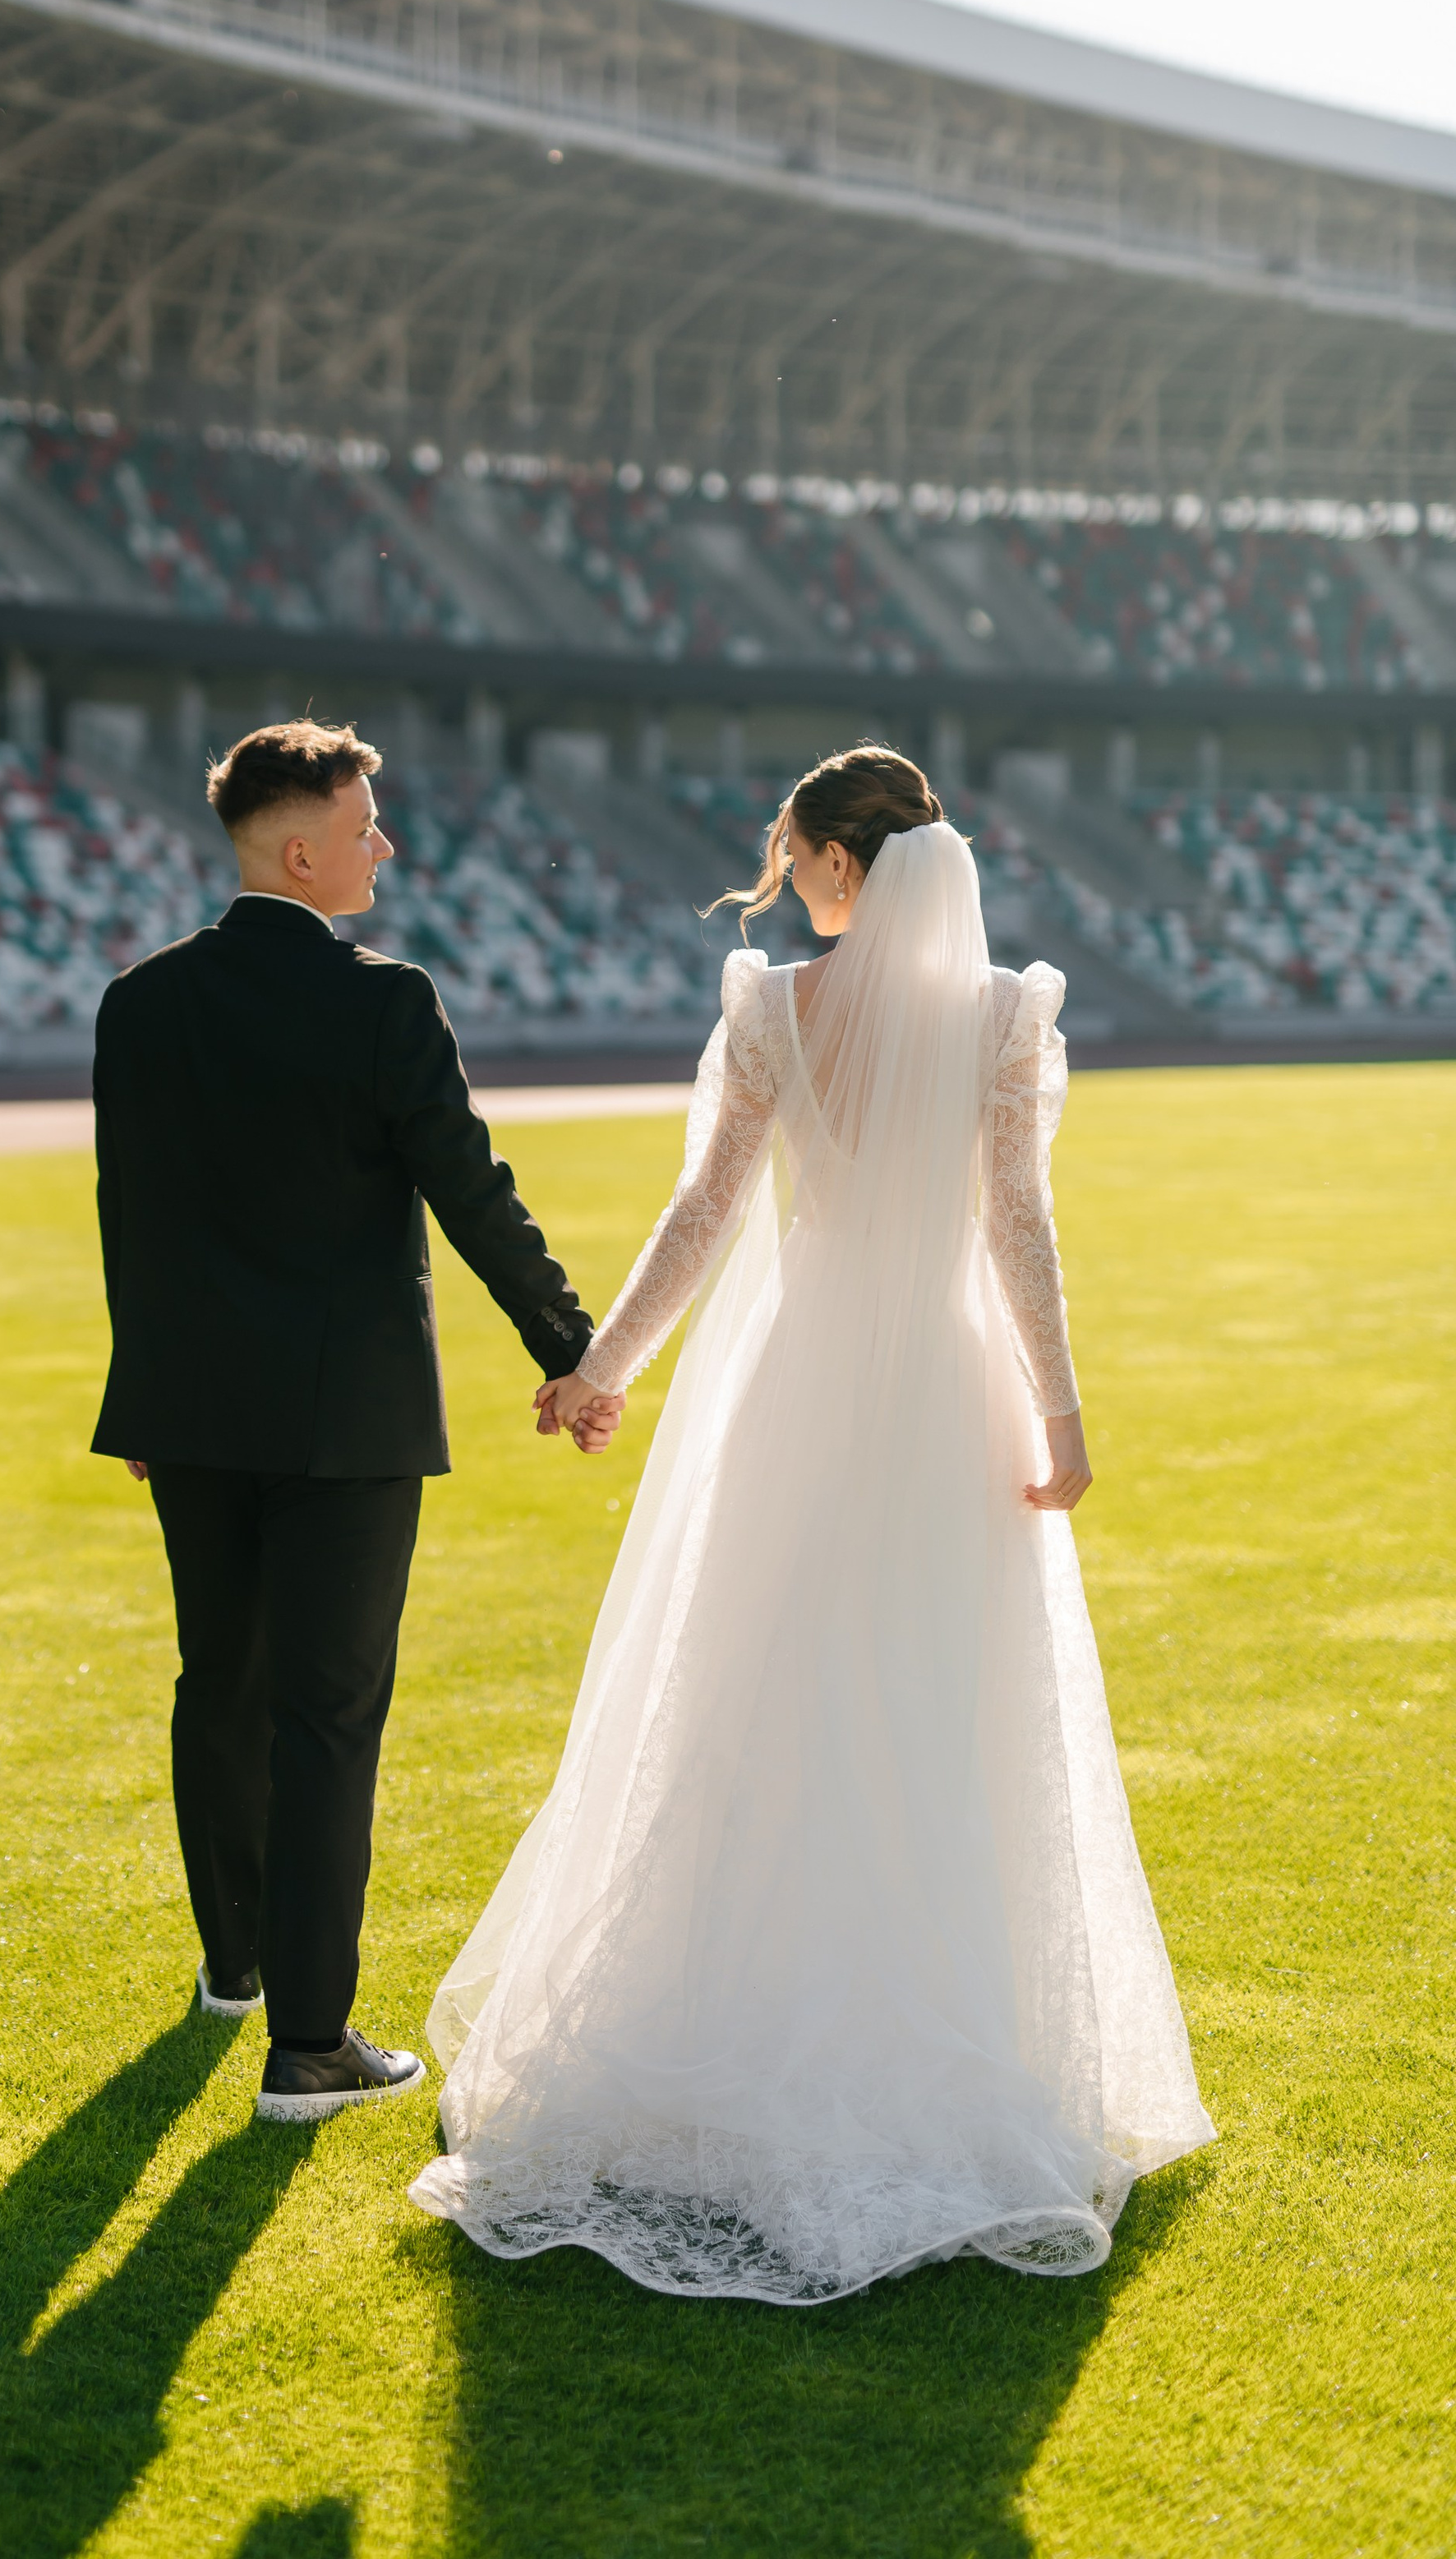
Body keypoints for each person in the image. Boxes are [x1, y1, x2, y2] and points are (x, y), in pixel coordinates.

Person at [411, 744, 1214, 2299]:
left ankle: (718, 2027)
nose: (783, 880)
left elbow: (706, 1212)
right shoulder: (999, 1020)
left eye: (793, 855)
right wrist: (1059, 1415)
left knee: (761, 1694)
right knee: (942, 1707)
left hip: (804, 1380)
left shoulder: (775, 1008)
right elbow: (1018, 1228)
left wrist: (603, 1368)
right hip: (945, 1380)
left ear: (841, 867)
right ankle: (950, 2048)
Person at [91, 717, 622, 2124]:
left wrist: (140, 1377)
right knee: (329, 1718)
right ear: (305, 845)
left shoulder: (137, 1003)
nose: (386, 844)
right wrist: (577, 1350)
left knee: (222, 1682)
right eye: (369, 820)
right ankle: (310, 2046)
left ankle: (237, 1967)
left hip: (187, 1406)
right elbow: (471, 1190)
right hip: (348, 1421)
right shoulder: (385, 1003)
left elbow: (124, 1211)